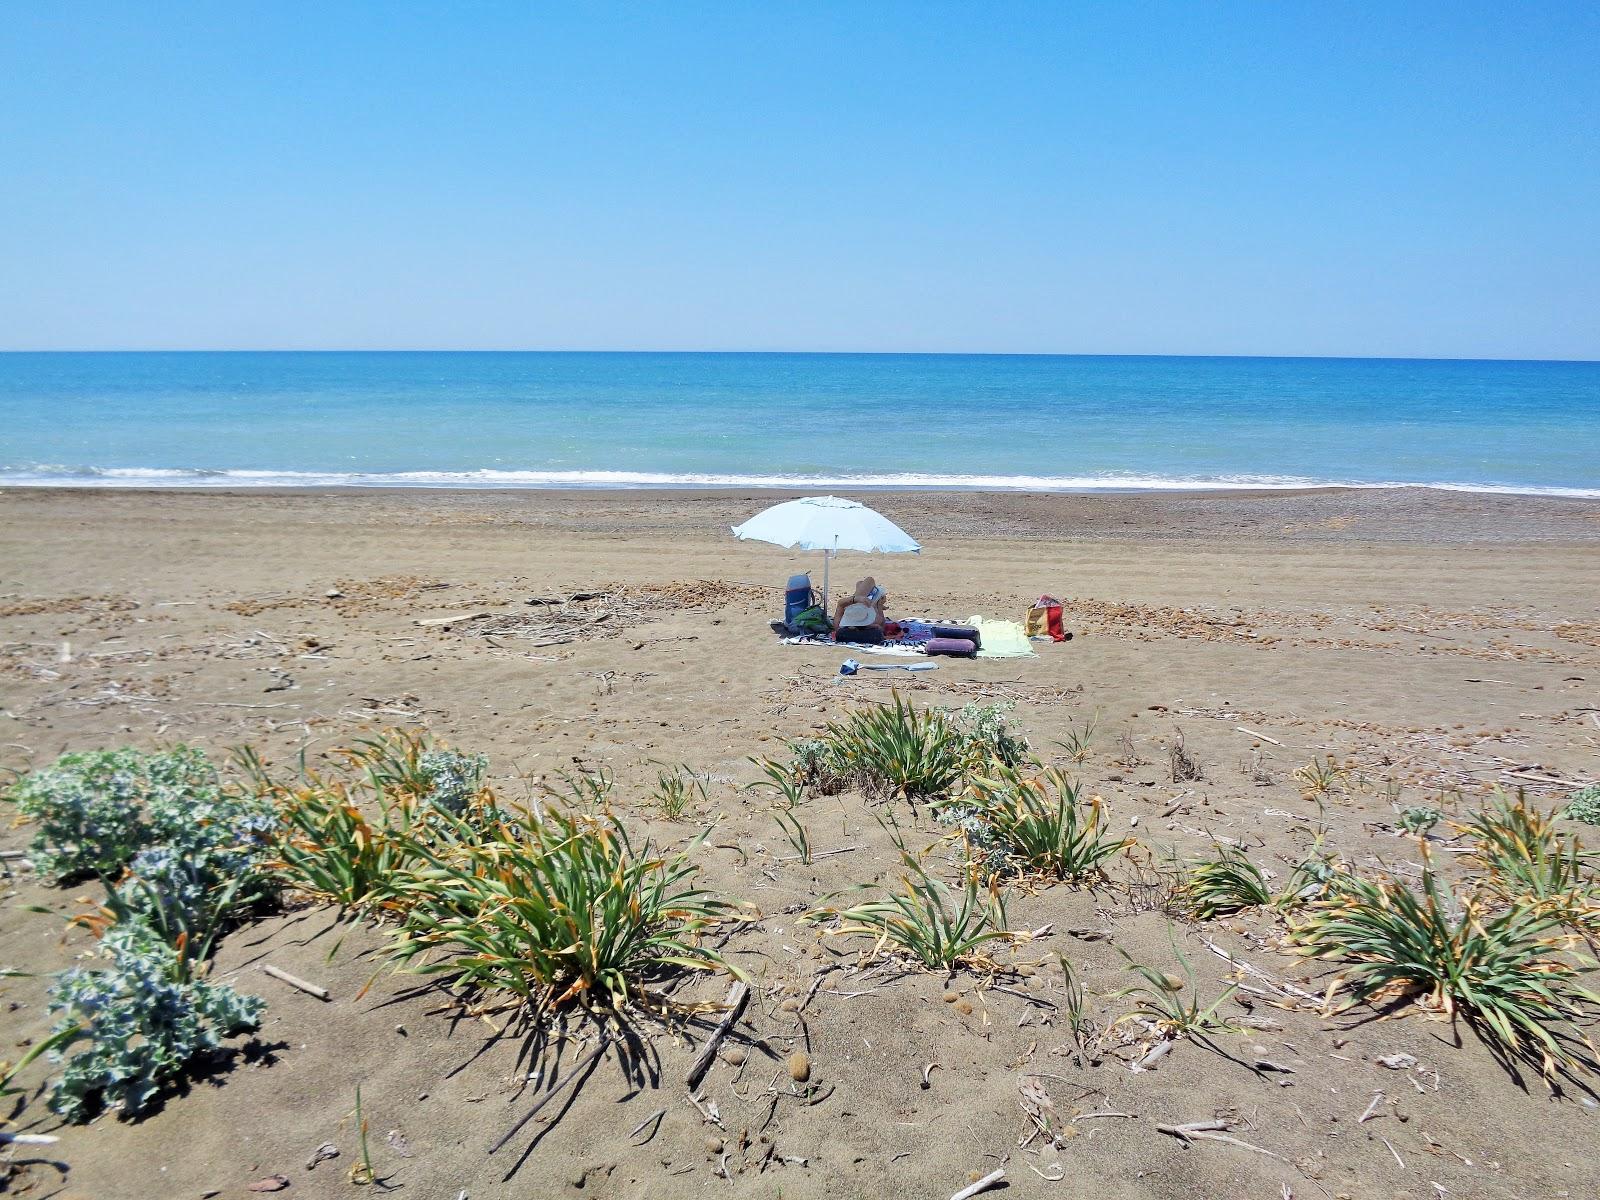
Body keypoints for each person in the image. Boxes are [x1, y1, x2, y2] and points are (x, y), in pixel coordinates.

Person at [833, 576, 888, 642]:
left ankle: (864, 596)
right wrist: (856, 600)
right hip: (867, 611)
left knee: (861, 584)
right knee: (868, 581)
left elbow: (840, 604)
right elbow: (840, 605)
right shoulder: (840, 628)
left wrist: (856, 599)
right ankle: (868, 598)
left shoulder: (841, 630)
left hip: (867, 615)